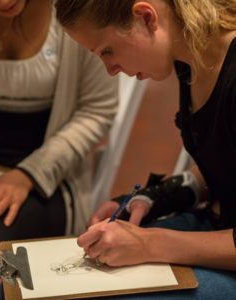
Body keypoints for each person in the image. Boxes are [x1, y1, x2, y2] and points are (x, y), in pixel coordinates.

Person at [55, 0, 236, 298]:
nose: (110, 70)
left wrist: (148, 243)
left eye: (107, 51)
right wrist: (156, 197)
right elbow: (225, 163)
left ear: (145, 17)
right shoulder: (188, 61)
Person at [0, 1, 118, 299]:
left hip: (46, 178)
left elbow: (97, 110)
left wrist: (27, 175)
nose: (4, 1)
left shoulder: (78, 11)